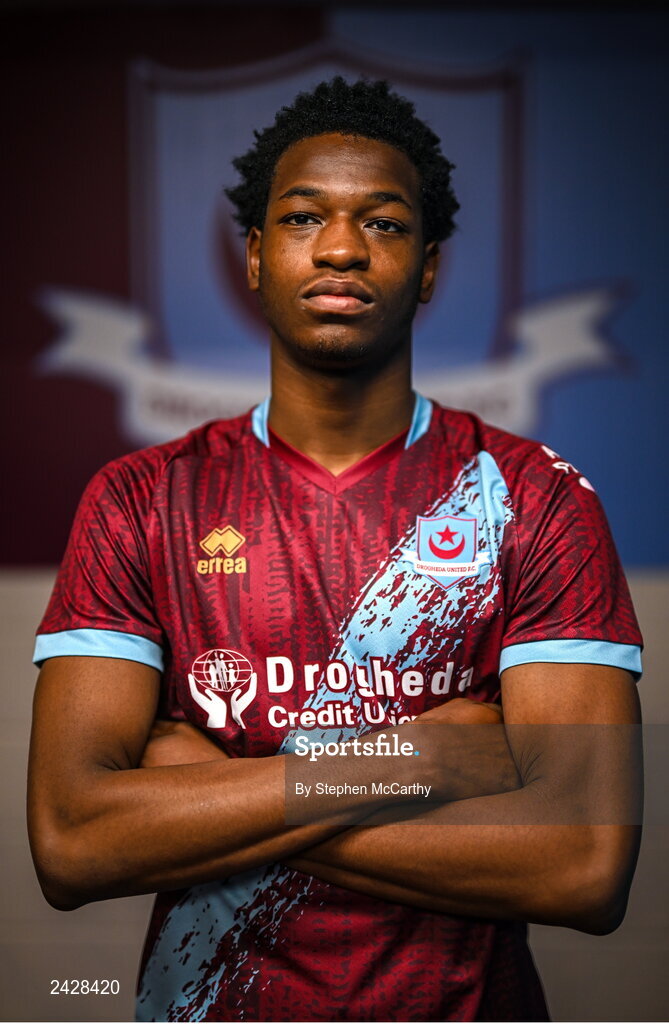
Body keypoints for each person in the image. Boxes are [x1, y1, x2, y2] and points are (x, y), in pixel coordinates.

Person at [28, 77, 643, 1022]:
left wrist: (201, 793)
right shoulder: (141, 499)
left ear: (430, 266)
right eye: (305, 216)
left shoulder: (536, 500)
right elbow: (71, 843)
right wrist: (419, 763)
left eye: (386, 224)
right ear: (256, 256)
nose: (344, 247)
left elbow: (581, 864)